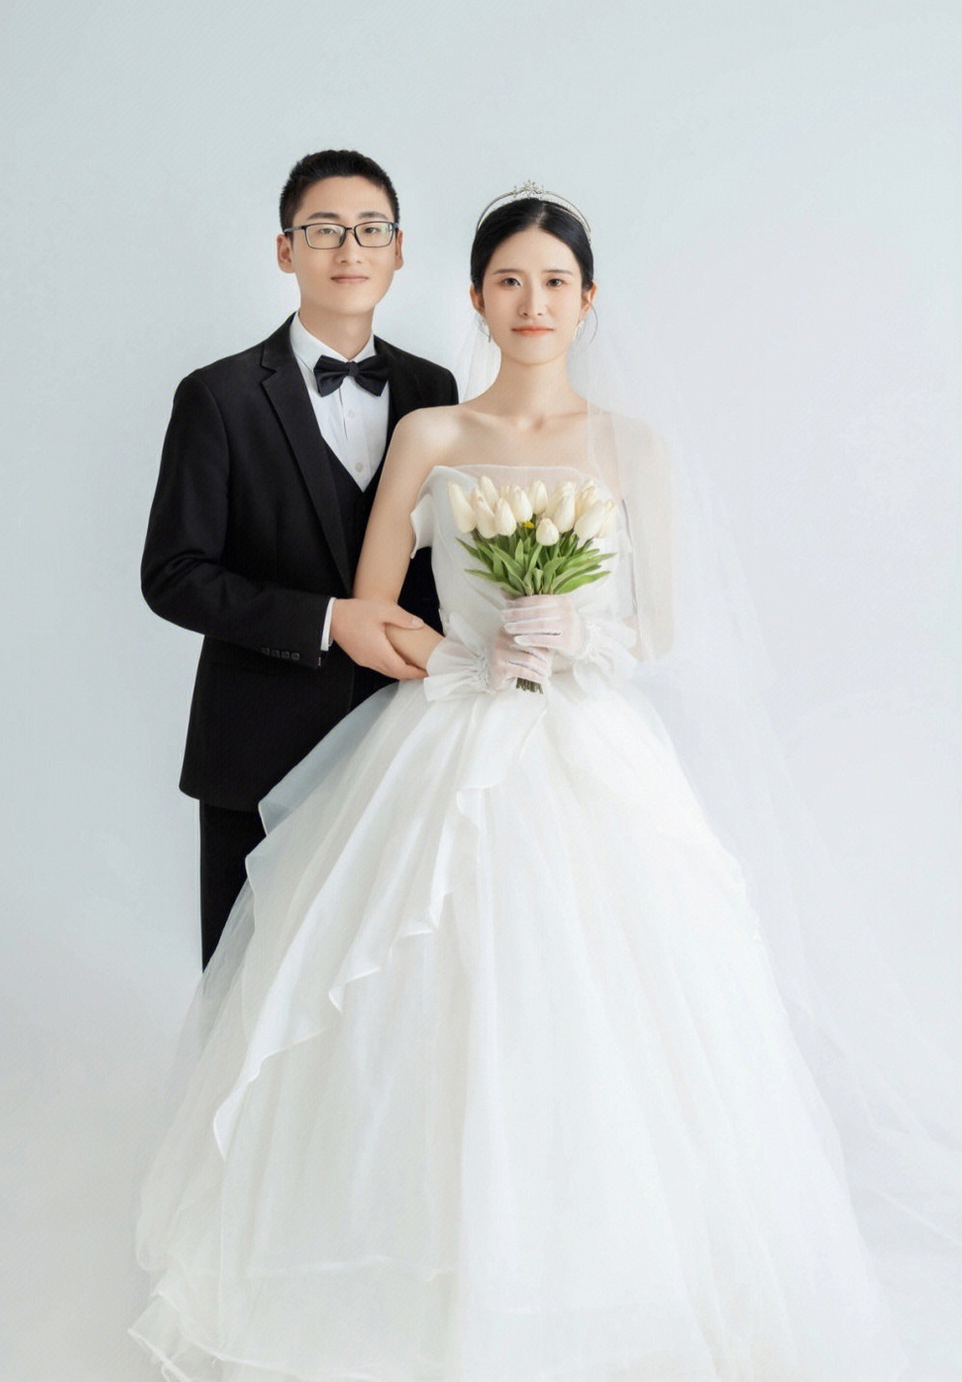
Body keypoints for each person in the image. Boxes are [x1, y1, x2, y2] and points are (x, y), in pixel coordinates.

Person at [131, 189, 960, 1379]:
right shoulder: (430, 432)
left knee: (609, 1009)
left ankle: (593, 1270)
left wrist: (579, 638)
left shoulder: (636, 446)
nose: (532, 303)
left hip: (589, 742)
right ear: (474, 297)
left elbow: (661, 625)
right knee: (418, 999)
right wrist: (468, 656)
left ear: (587, 299)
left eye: (555, 283)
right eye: (509, 282)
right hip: (452, 734)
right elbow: (376, 612)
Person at [141, 149, 458, 968]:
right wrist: (326, 621)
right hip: (254, 749)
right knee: (245, 988)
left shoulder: (436, 390)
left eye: (371, 229)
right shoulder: (217, 395)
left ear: (398, 249)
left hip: (401, 743)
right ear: (286, 250)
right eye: (324, 230)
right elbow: (174, 574)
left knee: (379, 987)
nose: (350, 249)